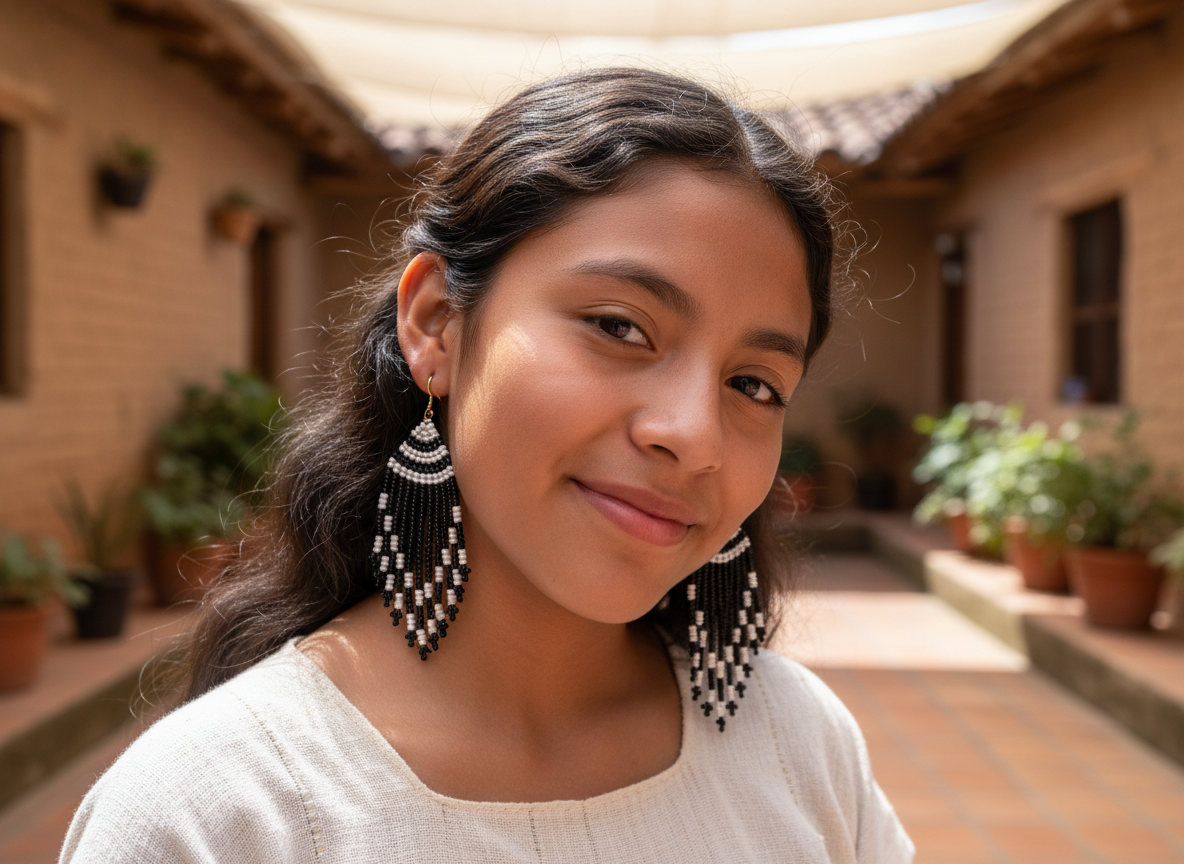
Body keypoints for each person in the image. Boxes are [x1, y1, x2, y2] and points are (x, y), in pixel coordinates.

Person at [61, 67, 913, 863]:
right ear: (436, 324)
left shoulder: (796, 742)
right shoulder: (218, 813)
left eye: (755, 384)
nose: (694, 434)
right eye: (619, 326)